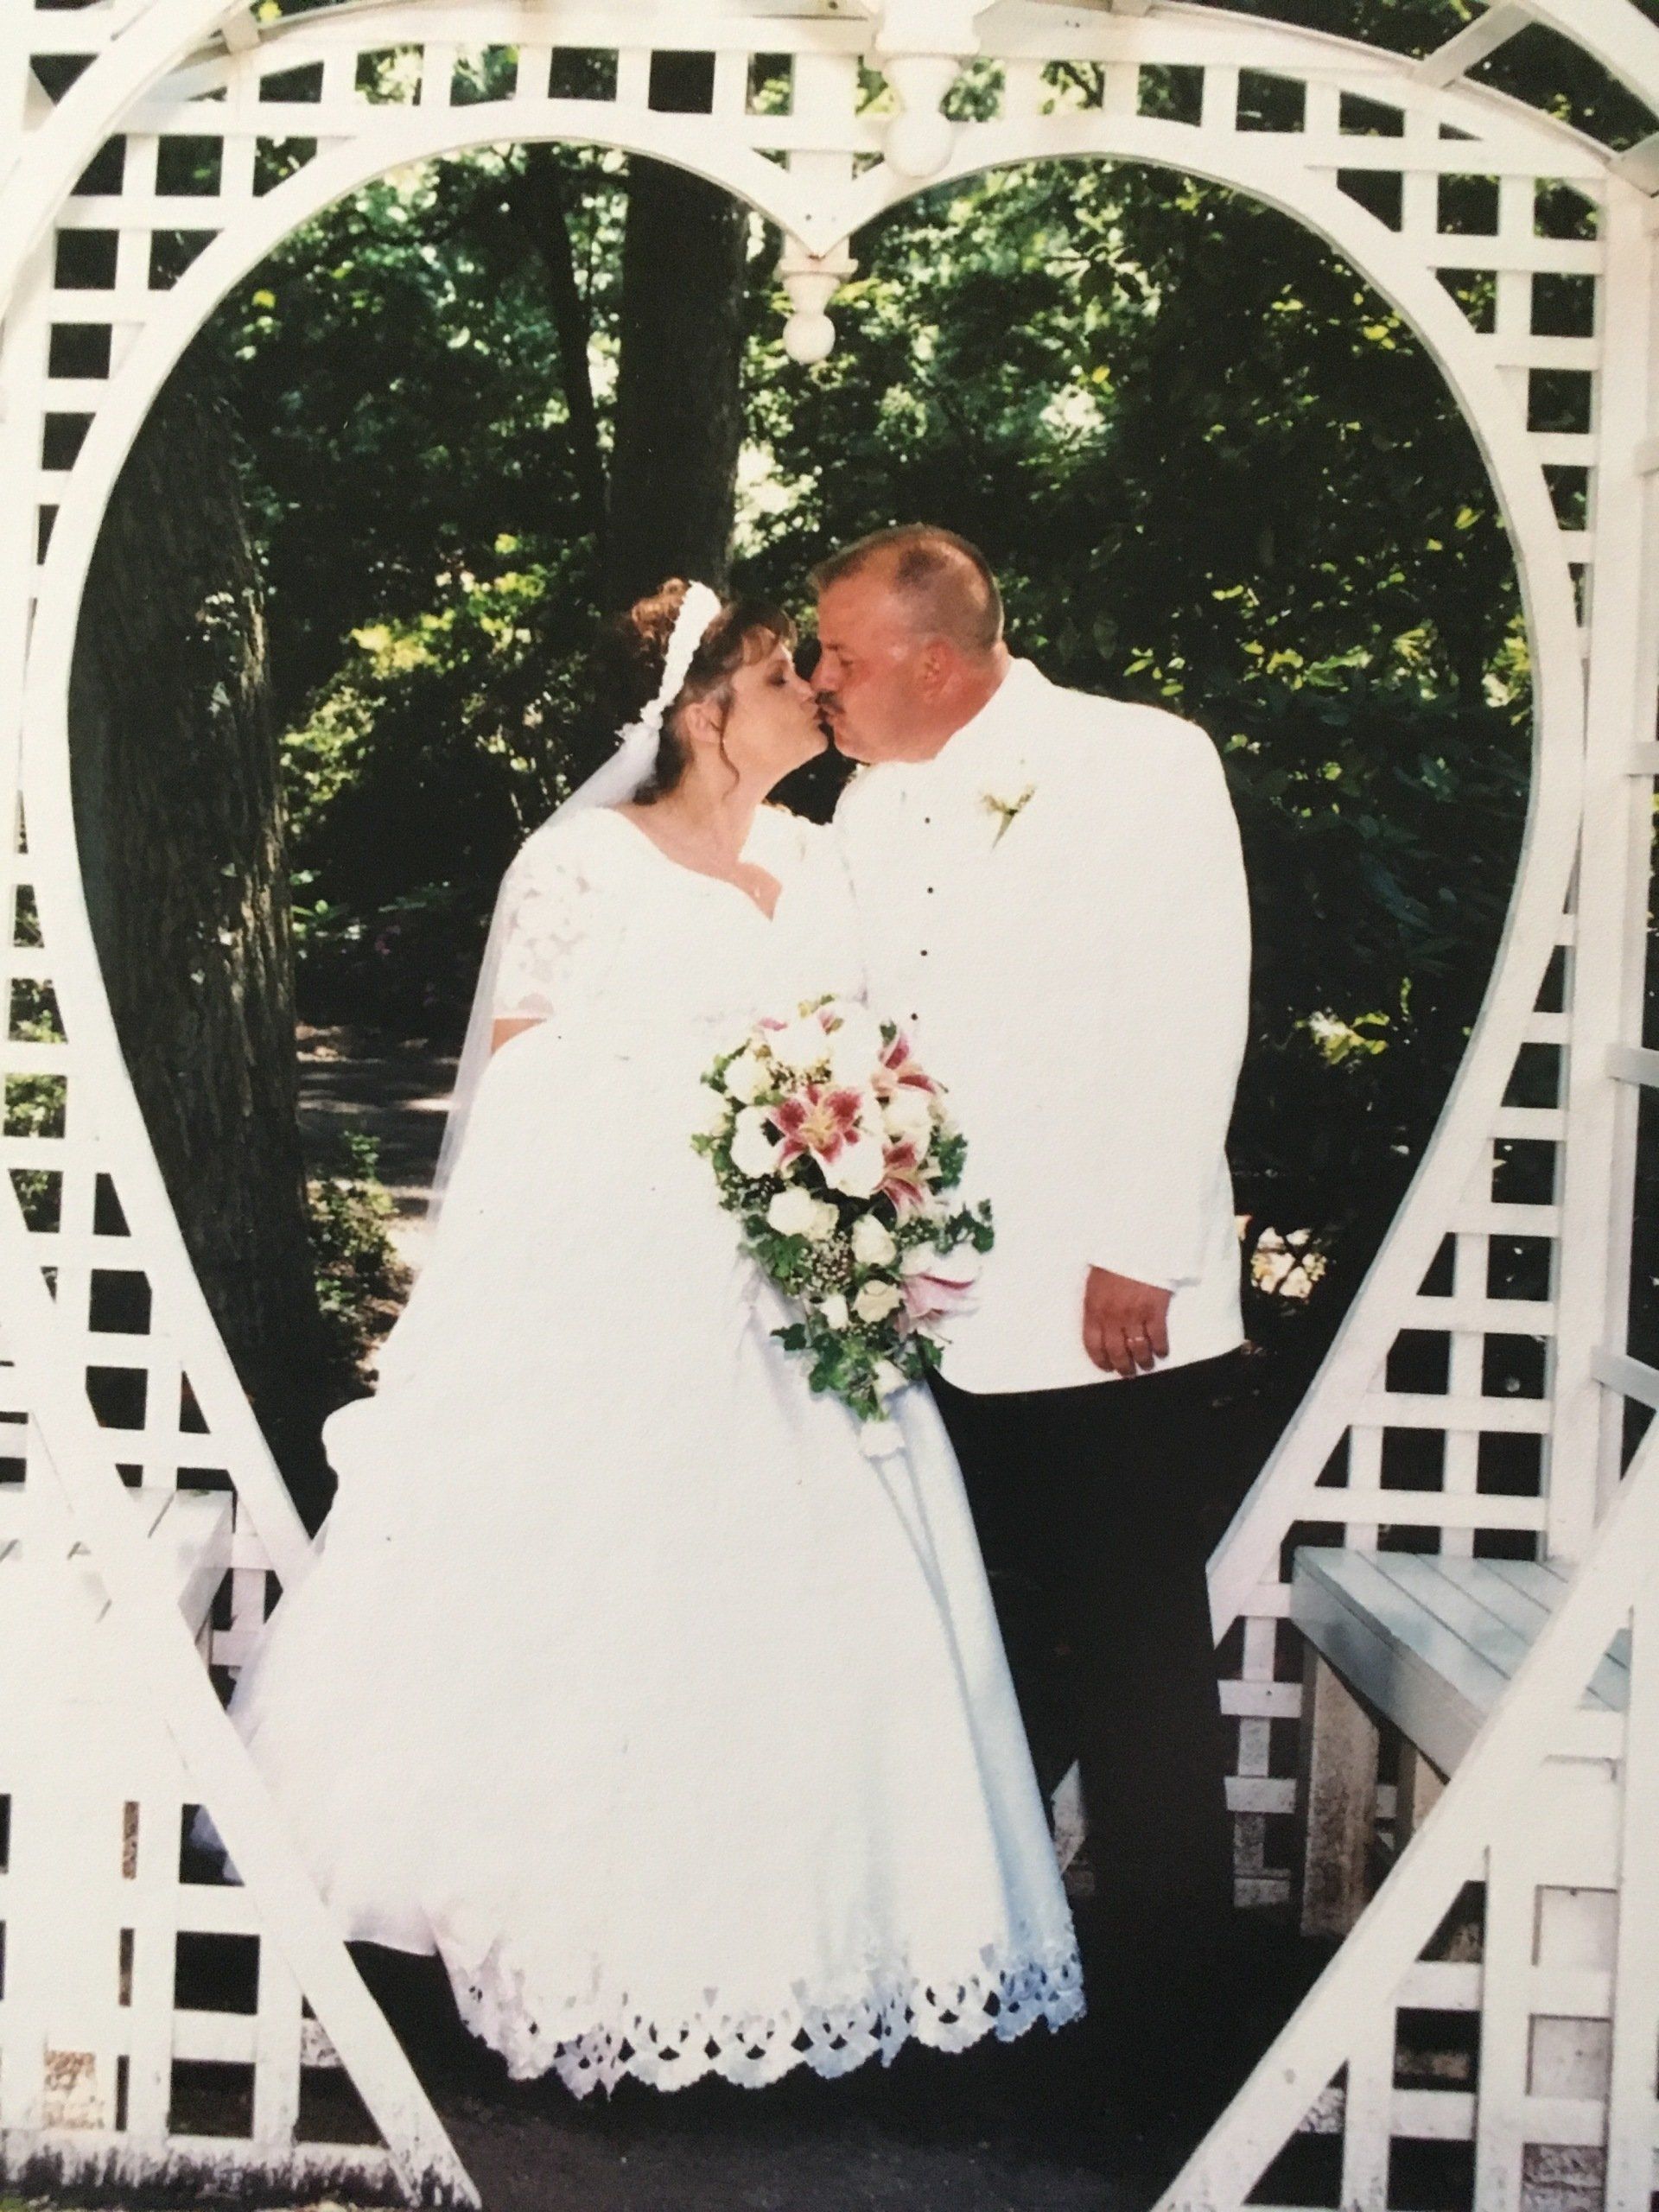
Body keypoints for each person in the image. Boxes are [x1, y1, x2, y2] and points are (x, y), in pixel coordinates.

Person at [217, 579, 1082, 2097]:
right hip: (619, 1293)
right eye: (778, 678)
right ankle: (558, 1965)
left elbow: (875, 1046)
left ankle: (803, 1968)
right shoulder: (582, 864)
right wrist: (737, 1114)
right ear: (703, 714)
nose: (817, 696)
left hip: (791, 1294)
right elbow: (529, 1078)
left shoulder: (825, 861)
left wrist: (851, 1145)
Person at [818, 524, 1250, 2113]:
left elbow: (1194, 996)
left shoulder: (1137, 762)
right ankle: (998, 2005)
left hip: (1098, 1306)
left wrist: (1140, 1247)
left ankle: (1172, 2038)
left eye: (846, 657)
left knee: (1136, 1659)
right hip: (930, 1309)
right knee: (974, 1653)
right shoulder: (863, 804)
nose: (824, 683)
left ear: (937, 659)